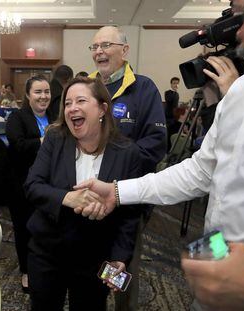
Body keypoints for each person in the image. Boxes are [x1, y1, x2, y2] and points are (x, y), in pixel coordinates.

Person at [75, 0, 244, 309]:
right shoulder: (242, 89)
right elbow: (201, 172)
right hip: (215, 266)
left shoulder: (144, 89)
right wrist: (117, 192)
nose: (233, 11)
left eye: (243, 12)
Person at [24, 77, 141, 310]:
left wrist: (119, 257)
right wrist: (68, 198)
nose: (72, 108)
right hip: (48, 251)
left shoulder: (127, 152)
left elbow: (130, 213)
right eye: (67, 103)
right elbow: (32, 185)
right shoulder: (55, 139)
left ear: (102, 109)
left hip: (96, 255)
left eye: (80, 101)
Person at [88, 25, 167, 311]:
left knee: (121, 269)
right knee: (88, 270)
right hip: (89, 198)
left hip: (127, 200)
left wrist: (116, 167)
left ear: (124, 50)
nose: (99, 52)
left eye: (106, 45)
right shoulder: (87, 87)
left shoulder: (143, 88)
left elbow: (156, 144)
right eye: (94, 47)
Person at [5, 75, 52, 293]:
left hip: (50, 185)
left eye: (47, 92)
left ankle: (46, 266)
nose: (44, 96)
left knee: (48, 228)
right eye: (38, 92)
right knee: (24, 229)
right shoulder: (17, 117)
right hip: (22, 185)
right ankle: (26, 271)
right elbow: (18, 146)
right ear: (27, 95)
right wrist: (45, 140)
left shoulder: (55, 116)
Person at [164, 77, 181, 150]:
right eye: (174, 83)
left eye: (177, 83)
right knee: (168, 134)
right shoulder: (168, 93)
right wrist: (174, 91)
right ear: (171, 84)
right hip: (168, 117)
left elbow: (176, 105)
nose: (175, 85)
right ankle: (167, 150)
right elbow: (169, 100)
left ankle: (173, 149)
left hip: (175, 117)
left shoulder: (176, 94)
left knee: (175, 134)